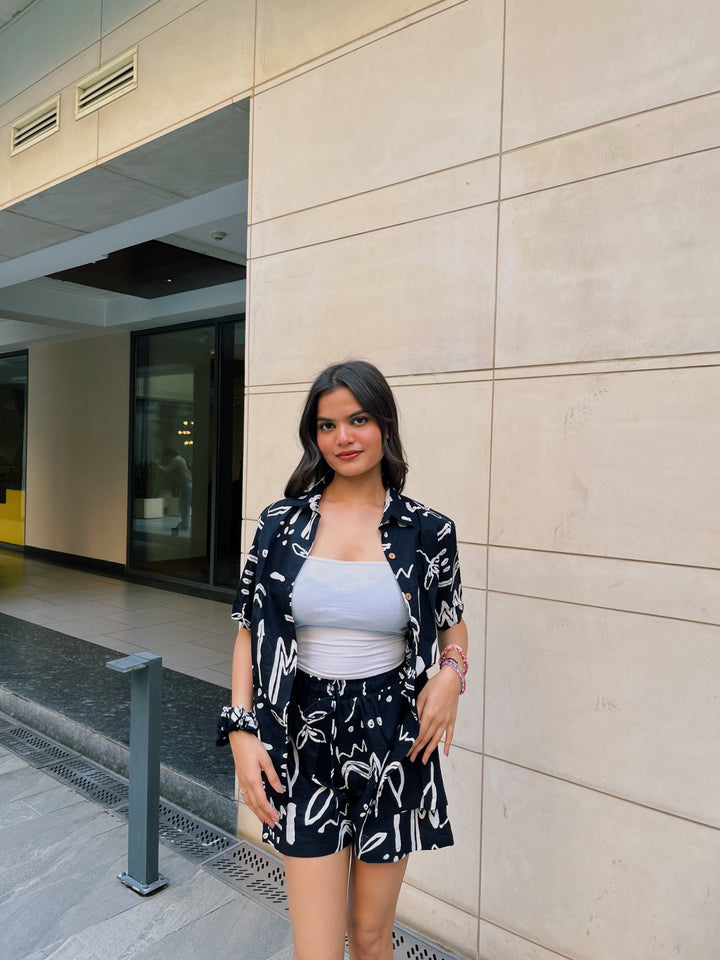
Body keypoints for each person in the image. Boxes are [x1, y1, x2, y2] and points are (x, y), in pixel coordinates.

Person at [218, 360, 468, 960]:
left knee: (373, 937)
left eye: (358, 420)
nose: (343, 438)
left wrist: (452, 674)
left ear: (385, 424)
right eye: (327, 426)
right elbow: (250, 631)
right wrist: (242, 732)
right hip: (300, 735)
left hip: (394, 737)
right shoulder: (279, 524)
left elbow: (452, 620)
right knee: (319, 950)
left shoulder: (428, 530)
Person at [153, 447, 192, 533]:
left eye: (166, 457)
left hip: (186, 484)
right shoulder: (178, 459)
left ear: (170, 455)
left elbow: (166, 470)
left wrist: (157, 465)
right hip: (184, 485)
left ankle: (185, 524)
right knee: (183, 506)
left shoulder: (177, 460)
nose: (166, 459)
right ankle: (184, 524)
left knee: (187, 504)